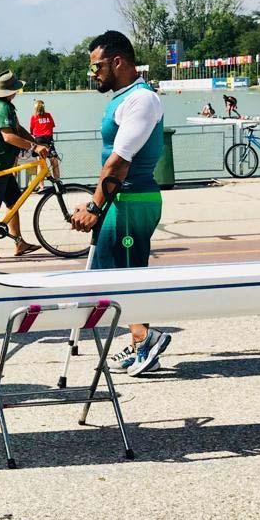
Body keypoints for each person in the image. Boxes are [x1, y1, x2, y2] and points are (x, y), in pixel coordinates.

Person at [72, 30, 171, 377]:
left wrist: (95, 207)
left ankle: (148, 339)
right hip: (119, 200)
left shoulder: (141, 100)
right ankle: (140, 340)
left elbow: (119, 161)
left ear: (118, 61)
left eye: (97, 66)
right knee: (109, 274)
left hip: (132, 200)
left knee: (124, 278)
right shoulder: (124, 98)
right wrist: (97, 202)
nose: (93, 74)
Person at [0, 71, 51, 258]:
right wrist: (34, 146)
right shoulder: (2, 107)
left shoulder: (1, 105)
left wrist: (36, 143)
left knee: (13, 203)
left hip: (4, 165)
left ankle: (19, 243)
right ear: (11, 90)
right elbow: (8, 136)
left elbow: (17, 129)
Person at [29, 98, 61, 181]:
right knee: (54, 161)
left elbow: (31, 130)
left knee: (41, 163)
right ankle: (57, 180)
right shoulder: (48, 115)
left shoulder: (34, 117)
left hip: (38, 140)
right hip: (48, 139)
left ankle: (41, 185)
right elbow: (52, 126)